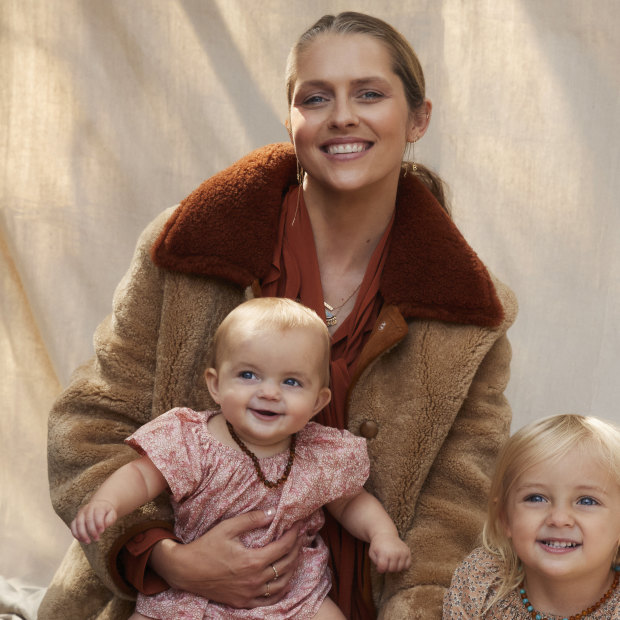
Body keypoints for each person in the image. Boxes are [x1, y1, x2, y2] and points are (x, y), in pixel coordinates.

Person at [40, 11, 517, 620]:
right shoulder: (187, 246)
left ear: (419, 118)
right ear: (291, 118)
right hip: (165, 597)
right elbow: (90, 421)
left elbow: (454, 512)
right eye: (315, 98)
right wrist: (165, 557)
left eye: (369, 93)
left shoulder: (472, 313)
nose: (342, 115)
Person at [70, 298, 411, 620]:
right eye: (249, 375)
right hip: (194, 588)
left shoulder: (319, 453)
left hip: (292, 594)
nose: (268, 392)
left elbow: (351, 504)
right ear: (215, 385)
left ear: (318, 402)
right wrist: (107, 502)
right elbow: (142, 476)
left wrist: (383, 536)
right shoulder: (192, 440)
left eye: (291, 381)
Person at [443, 414, 620, 618]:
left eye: (587, 501)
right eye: (536, 498)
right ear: (504, 517)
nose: (559, 518)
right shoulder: (482, 580)